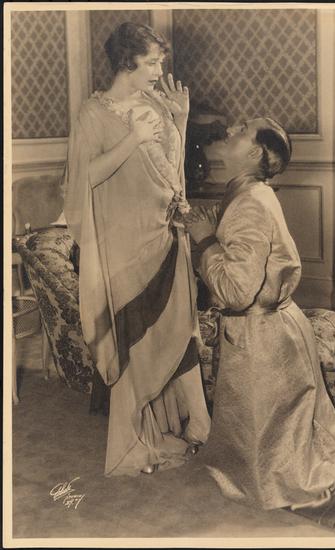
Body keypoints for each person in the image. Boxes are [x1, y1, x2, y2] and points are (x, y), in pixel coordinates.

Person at [184, 118, 335, 535]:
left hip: (260, 337)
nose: (232, 128)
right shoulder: (251, 192)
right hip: (278, 327)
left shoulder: (250, 203)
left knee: (270, 469)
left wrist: (204, 241)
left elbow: (236, 290)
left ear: (254, 153)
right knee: (289, 432)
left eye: (243, 129)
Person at [64, 22, 211, 477]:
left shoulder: (155, 103)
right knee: (138, 336)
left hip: (165, 232)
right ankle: (136, 433)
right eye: (151, 62)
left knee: (181, 327)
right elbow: (84, 180)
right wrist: (132, 140)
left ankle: (201, 422)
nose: (159, 71)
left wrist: (180, 120)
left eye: (160, 62)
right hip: (124, 243)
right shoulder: (93, 113)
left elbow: (172, 171)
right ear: (126, 61)